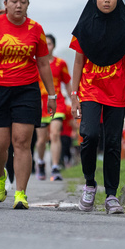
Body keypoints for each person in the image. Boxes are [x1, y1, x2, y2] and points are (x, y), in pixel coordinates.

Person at [0, 0, 55, 210]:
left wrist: (52, 94)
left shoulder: (36, 29)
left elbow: (43, 63)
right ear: (5, 4)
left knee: (22, 143)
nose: (19, 5)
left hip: (26, 90)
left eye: (23, 1)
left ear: (28, 4)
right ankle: (0, 176)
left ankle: (21, 193)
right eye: (14, 1)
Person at [69, 0, 125, 214]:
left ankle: (111, 195)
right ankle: (89, 184)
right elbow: (78, 63)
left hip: (116, 92)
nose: (107, 0)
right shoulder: (83, 28)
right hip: (89, 90)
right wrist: (74, 96)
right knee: (90, 135)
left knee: (113, 143)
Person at [34, 34, 71, 182]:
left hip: (57, 103)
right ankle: (41, 163)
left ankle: (55, 167)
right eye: (45, 44)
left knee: (55, 134)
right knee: (41, 140)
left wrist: (74, 100)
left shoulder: (61, 63)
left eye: (49, 43)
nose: (47, 46)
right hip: (40, 105)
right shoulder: (35, 63)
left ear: (54, 46)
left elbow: (67, 83)